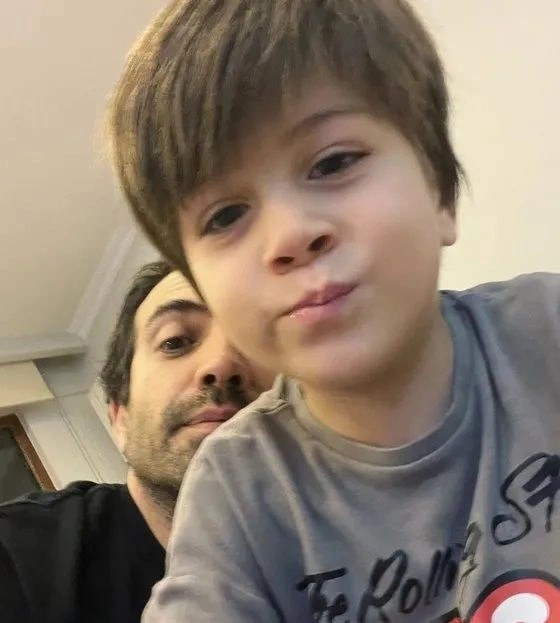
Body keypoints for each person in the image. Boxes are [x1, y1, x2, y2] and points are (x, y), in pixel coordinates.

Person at [106, 1, 560, 621]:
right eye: (226, 215)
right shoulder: (236, 488)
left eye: (334, 162)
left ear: (442, 194)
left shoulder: (546, 325)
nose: (290, 235)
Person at [0, 260, 268, 623]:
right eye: (175, 342)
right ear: (120, 417)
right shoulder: (17, 557)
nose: (221, 363)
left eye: (256, 339)